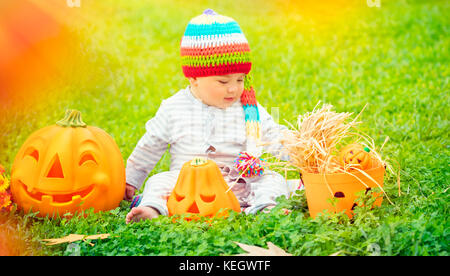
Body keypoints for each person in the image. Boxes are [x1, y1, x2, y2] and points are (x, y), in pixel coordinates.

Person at [125, 9, 289, 223]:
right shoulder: (174, 108)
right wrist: (130, 180)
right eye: (223, 82)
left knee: (271, 179)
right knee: (158, 181)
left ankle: (265, 208)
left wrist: (300, 150)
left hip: (237, 182)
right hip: (188, 184)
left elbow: (272, 135)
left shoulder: (249, 108)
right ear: (194, 79)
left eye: (240, 80)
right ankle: (152, 209)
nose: (233, 89)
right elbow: (150, 145)